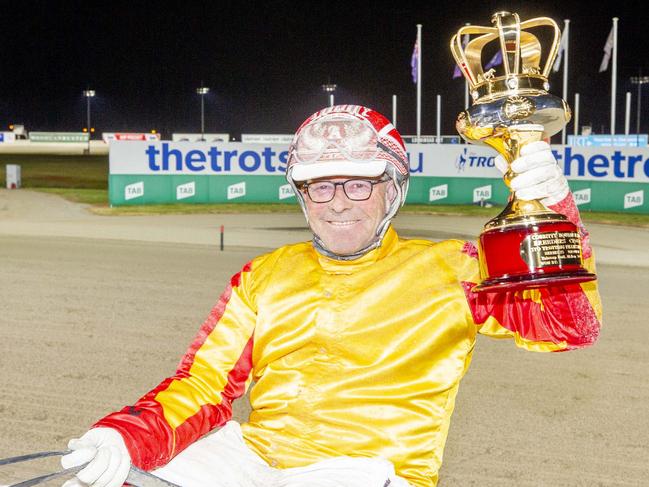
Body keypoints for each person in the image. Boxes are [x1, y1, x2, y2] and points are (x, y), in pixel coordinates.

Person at [61, 105, 601, 487]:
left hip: (370, 472)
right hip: (254, 461)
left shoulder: (457, 268)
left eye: (358, 183)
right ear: (302, 194)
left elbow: (570, 327)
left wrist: (555, 210)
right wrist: (125, 436)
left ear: (393, 189)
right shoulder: (265, 274)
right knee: (107, 480)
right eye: (321, 185)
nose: (338, 203)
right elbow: (203, 384)